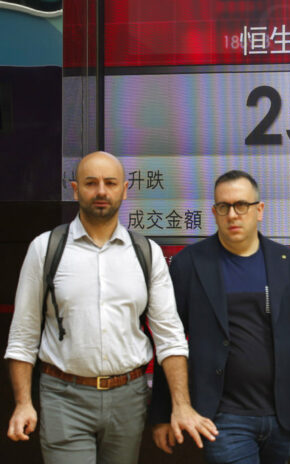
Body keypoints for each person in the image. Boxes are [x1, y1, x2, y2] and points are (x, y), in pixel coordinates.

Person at [5, 151, 217, 463]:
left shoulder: (147, 252)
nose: (101, 191)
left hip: (128, 398)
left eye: (110, 183)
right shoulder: (46, 248)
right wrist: (23, 402)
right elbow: (23, 336)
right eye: (91, 183)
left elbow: (170, 337)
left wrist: (181, 404)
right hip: (63, 396)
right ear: (76, 189)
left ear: (124, 189)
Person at [150, 170, 290, 463]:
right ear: (214, 212)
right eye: (223, 207)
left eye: (242, 205)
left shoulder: (288, 263)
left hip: (280, 414)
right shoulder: (190, 264)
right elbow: (168, 339)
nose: (233, 215)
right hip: (220, 417)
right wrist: (165, 412)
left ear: (259, 210)